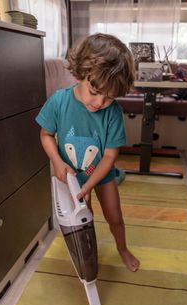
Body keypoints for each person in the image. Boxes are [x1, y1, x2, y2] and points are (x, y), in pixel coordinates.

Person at [36, 33, 140, 272]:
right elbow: (45, 135)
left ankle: (122, 249)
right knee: (85, 221)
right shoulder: (59, 102)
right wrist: (58, 163)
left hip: (101, 175)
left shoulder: (112, 112)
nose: (100, 102)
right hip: (71, 178)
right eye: (95, 91)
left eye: (110, 96)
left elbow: (109, 156)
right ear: (79, 73)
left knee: (115, 217)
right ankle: (88, 254)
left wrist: (90, 184)